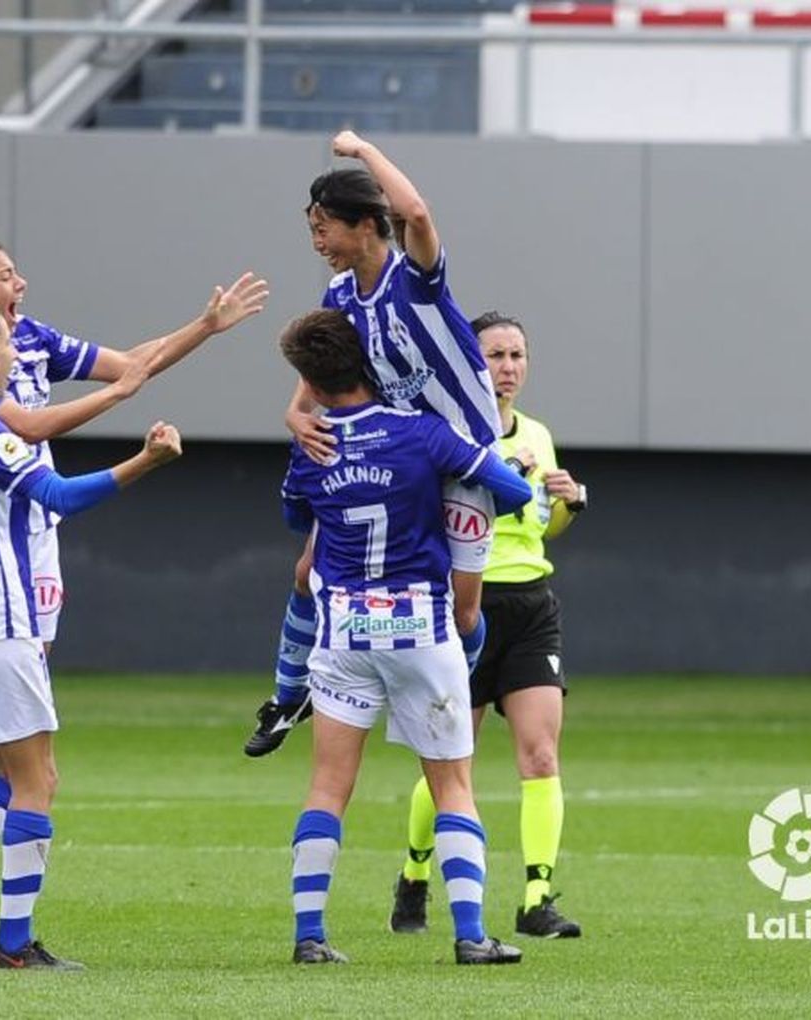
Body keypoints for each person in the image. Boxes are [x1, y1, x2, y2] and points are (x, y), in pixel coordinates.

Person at [0, 240, 266, 895]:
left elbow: (130, 362)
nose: (22, 280)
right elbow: (31, 435)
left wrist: (204, 328)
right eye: (7, 273)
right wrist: (131, 429)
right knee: (19, 761)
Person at [0, 299, 183, 970]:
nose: (16, 355)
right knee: (37, 779)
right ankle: (12, 942)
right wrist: (145, 461)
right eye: (7, 345)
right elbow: (59, 498)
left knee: (7, 772)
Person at [276, 310, 530, 966]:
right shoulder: (422, 434)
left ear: (309, 379)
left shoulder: (309, 448)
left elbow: (293, 514)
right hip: (420, 624)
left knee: (328, 787)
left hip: (343, 631)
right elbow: (511, 488)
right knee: (453, 786)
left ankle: (309, 935)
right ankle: (470, 935)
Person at [247, 130, 501, 757]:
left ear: (366, 225)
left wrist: (361, 151)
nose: (317, 241)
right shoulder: (338, 296)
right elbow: (319, 361)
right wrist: (293, 413)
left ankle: (454, 692)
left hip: (463, 457)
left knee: (464, 614)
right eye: (311, 228)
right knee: (307, 571)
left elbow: (415, 212)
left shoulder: (415, 277)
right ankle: (289, 696)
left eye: (324, 227)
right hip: (393, 457)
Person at [390, 312, 586, 940]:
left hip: (531, 604)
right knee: (454, 760)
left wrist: (569, 504)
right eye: (495, 355)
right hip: (464, 605)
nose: (507, 368)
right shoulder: (448, 434)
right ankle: (415, 871)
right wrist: (505, 475)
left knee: (541, 754)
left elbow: (540, 529)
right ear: (471, 364)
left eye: (517, 356)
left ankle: (536, 898)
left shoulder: (539, 434)